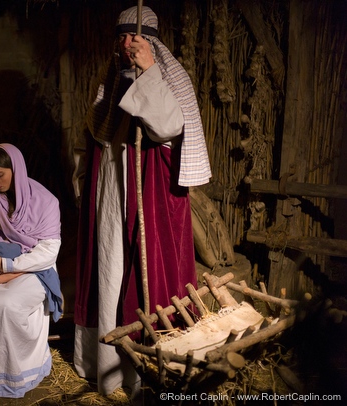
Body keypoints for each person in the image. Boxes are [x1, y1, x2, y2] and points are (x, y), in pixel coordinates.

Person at [72, 6, 212, 396]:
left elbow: (168, 125)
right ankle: (108, 369)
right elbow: (96, 130)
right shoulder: (112, 76)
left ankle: (149, 374)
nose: (126, 44)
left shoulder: (170, 74)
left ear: (151, 40)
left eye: (133, 36)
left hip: (149, 197)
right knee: (110, 270)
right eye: (121, 37)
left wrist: (149, 72)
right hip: (111, 195)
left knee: (144, 274)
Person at [0, 143, 62, 398]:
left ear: (15, 169)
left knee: (9, 304)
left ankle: (18, 374)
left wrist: (9, 267)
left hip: (32, 268)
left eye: (0, 175)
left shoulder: (45, 201)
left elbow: (48, 251)